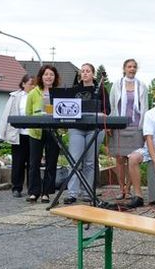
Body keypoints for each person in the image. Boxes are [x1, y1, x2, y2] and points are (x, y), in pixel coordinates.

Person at [63, 63, 111, 204]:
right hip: (77, 127)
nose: (85, 73)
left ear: (93, 74)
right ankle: (72, 193)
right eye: (82, 71)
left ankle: (87, 192)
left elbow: (106, 110)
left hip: (95, 129)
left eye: (88, 71)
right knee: (75, 161)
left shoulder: (101, 90)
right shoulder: (74, 90)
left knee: (90, 162)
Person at [108, 59, 148, 200]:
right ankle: (121, 189)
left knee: (133, 158)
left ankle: (130, 188)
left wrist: (144, 128)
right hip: (120, 125)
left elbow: (145, 107)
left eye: (134, 67)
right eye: (129, 67)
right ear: (124, 68)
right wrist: (111, 124)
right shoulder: (117, 85)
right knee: (119, 158)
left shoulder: (141, 85)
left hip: (135, 125)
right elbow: (112, 105)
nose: (132, 69)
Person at [25, 65, 61, 203]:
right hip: (36, 132)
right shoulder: (33, 93)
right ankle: (34, 192)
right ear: (41, 76)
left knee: (51, 163)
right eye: (46, 74)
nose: (49, 77)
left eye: (51, 74)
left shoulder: (59, 92)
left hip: (53, 131)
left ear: (55, 77)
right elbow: (28, 113)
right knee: (34, 163)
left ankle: (46, 192)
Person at [0, 74, 34, 198]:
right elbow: (6, 115)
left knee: (32, 163)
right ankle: (16, 188)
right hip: (18, 134)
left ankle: (32, 189)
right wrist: (2, 133)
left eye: (34, 84)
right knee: (18, 162)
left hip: (33, 134)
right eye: (30, 83)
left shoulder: (36, 96)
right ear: (23, 84)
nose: (32, 86)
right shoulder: (15, 96)